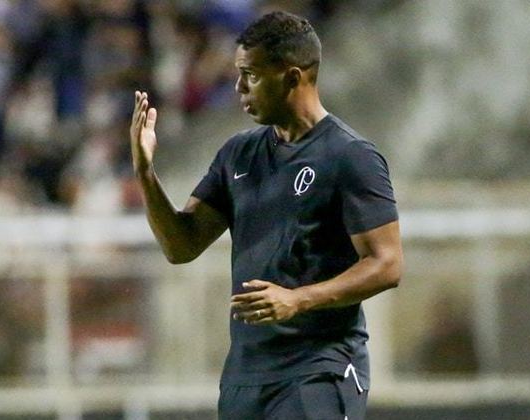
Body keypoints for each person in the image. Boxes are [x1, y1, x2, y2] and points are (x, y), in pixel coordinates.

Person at [129, 11, 402, 420]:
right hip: (246, 377)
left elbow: (387, 264)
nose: (238, 87)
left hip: (317, 370)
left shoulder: (350, 156)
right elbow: (181, 246)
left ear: (292, 77)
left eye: (251, 75)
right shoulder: (238, 154)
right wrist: (145, 173)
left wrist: (297, 299)